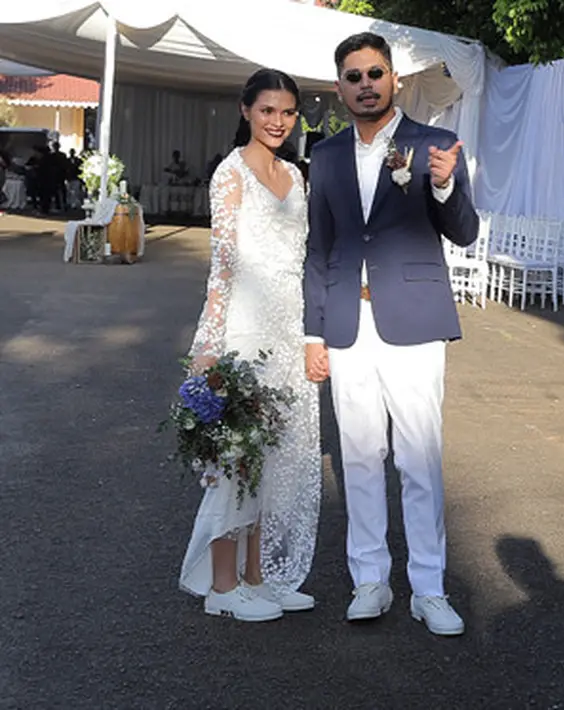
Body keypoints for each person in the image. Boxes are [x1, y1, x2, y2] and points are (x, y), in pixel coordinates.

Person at [303, 31, 479, 635]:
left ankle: (428, 588)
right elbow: (318, 251)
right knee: (358, 458)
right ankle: (370, 580)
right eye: (353, 77)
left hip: (414, 322)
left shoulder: (435, 145)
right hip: (349, 326)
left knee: (419, 460)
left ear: (394, 79)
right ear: (339, 88)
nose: (365, 85)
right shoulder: (324, 157)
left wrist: (444, 186)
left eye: (375, 73)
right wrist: (312, 334)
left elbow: (463, 232)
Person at [179, 68, 322, 623]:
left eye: (287, 112)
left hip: (288, 331)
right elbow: (223, 266)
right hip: (243, 330)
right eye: (267, 111)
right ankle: (222, 586)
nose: (278, 121)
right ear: (246, 111)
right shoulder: (230, 173)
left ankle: (259, 578)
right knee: (236, 456)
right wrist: (208, 346)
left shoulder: (295, 173)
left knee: (275, 458)